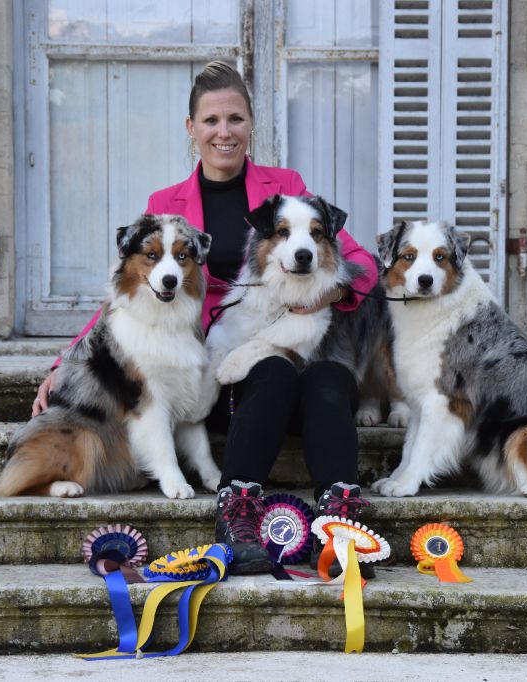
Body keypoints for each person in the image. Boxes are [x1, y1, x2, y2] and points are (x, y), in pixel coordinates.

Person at [32, 62, 378, 576]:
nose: (224, 132)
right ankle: (237, 513)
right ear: (191, 128)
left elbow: (362, 267)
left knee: (329, 378)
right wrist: (68, 360)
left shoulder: (286, 188)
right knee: (273, 371)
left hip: (295, 347)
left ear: (251, 125)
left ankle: (343, 525)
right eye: (211, 120)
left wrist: (322, 300)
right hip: (215, 369)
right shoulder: (165, 204)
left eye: (235, 119)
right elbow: (126, 292)